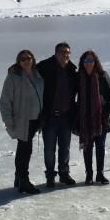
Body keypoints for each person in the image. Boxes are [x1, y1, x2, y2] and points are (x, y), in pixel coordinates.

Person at [0, 49, 44, 195]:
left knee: (24, 149)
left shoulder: (38, 74)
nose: (26, 61)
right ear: (18, 62)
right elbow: (5, 101)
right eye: (23, 59)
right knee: (25, 150)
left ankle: (19, 177)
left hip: (35, 119)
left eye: (29, 58)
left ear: (33, 59)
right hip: (22, 120)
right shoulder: (14, 77)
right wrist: (9, 121)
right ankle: (24, 181)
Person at [37, 42, 78, 187]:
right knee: (49, 149)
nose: (65, 55)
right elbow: (28, 70)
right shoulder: (45, 66)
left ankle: (64, 174)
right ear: (55, 53)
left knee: (65, 148)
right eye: (62, 52)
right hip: (49, 117)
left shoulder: (72, 70)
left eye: (67, 52)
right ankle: (50, 175)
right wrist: (15, 68)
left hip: (66, 116)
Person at [75, 50, 110, 185]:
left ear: (95, 62)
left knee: (100, 146)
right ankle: (89, 175)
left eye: (91, 61)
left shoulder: (102, 76)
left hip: (101, 118)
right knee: (87, 147)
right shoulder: (78, 77)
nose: (88, 63)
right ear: (82, 62)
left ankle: (100, 174)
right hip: (84, 118)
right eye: (86, 61)